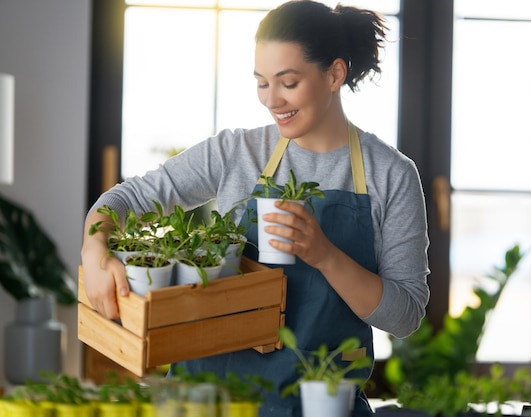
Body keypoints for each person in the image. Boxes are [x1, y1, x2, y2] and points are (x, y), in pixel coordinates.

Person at [81, 1, 430, 415]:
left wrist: (325, 256)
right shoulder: (236, 152)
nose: (272, 99)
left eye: (288, 82)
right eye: (262, 82)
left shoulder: (391, 174)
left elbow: (405, 315)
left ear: (335, 73)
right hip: (211, 403)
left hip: (317, 405)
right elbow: (127, 199)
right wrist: (95, 249)